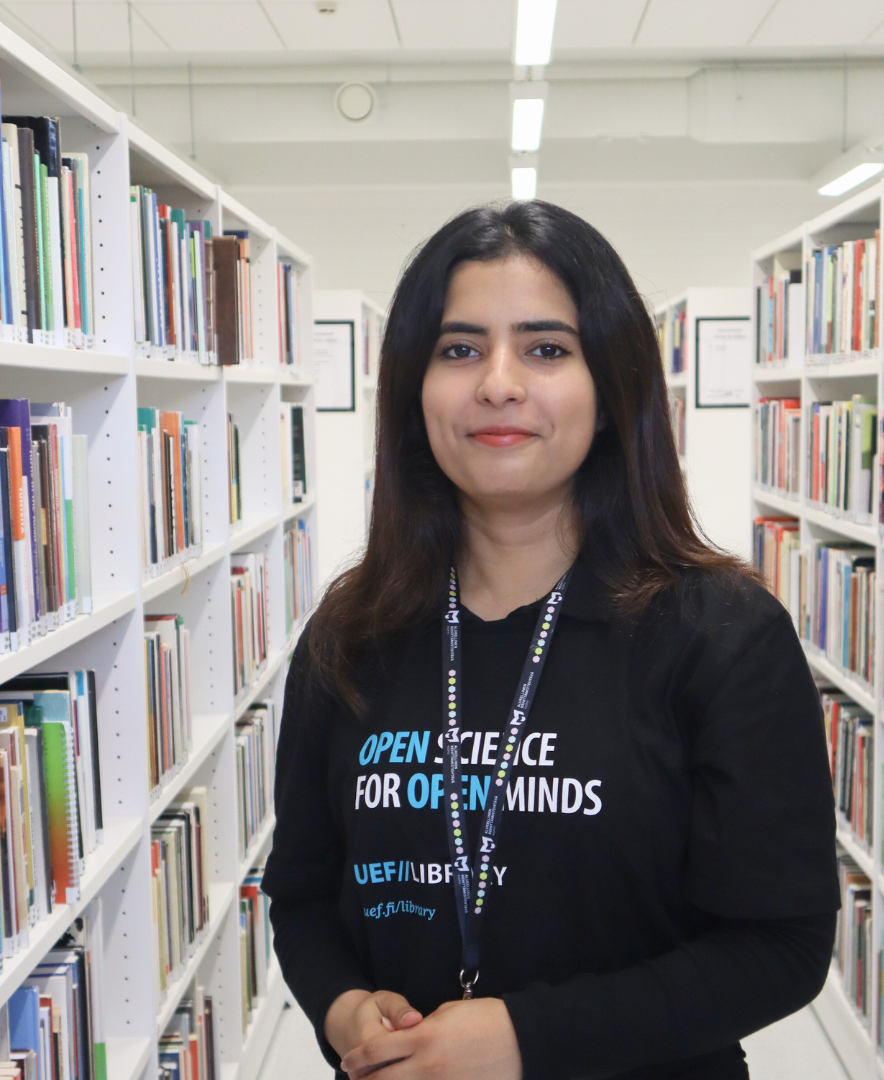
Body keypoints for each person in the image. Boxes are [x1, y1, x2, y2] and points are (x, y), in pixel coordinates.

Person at [261, 200, 839, 1080]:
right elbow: (301, 895)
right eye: (459, 349)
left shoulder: (722, 635)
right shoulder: (350, 634)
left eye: (546, 349)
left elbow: (780, 947)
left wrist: (526, 1041)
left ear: (610, 390)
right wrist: (343, 1008)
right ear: (414, 391)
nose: (498, 382)